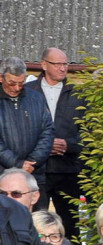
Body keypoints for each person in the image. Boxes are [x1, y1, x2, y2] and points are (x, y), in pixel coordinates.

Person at [26, 48, 85, 234]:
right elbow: (20, 129)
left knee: (70, 225)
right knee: (38, 223)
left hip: (67, 171)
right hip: (37, 171)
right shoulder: (27, 93)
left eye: (66, 64)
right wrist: (43, 146)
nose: (63, 68)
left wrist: (69, 145)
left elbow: (88, 133)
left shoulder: (77, 95)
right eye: (57, 64)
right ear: (44, 65)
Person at [0, 58, 54, 201]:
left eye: (21, 83)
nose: (17, 88)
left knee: (37, 220)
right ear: (1, 78)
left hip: (34, 175)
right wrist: (17, 164)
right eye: (12, 83)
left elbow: (47, 132)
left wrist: (32, 162)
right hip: (3, 177)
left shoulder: (36, 98)